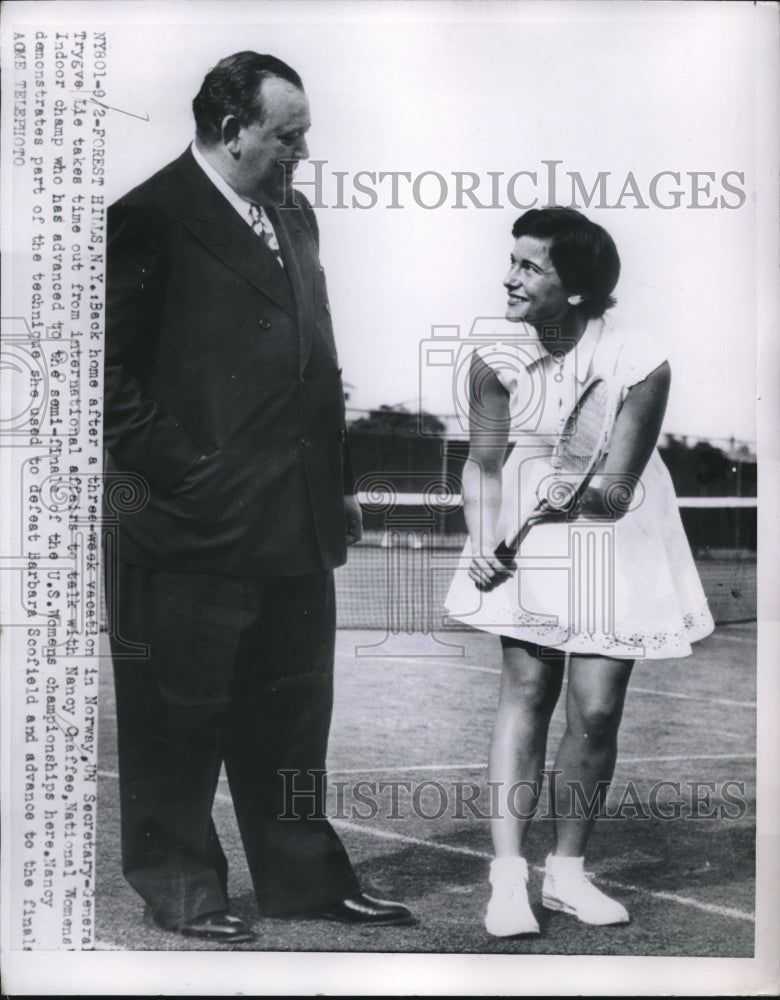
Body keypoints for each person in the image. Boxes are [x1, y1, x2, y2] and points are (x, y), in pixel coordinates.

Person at [103, 51, 413, 943]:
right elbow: (100, 375)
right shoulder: (145, 219)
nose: (304, 152)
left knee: (290, 711)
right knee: (177, 720)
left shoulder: (296, 213)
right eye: (290, 136)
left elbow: (320, 359)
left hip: (295, 520)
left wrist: (341, 483)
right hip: (184, 526)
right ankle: (183, 889)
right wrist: (190, 470)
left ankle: (305, 882)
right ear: (233, 131)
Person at [444, 207, 715, 937]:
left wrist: (564, 496)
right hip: (524, 525)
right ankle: (508, 880)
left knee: (595, 710)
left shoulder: (640, 359)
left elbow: (617, 491)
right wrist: (483, 538)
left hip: (614, 533)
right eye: (513, 259)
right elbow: (484, 463)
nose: (510, 275)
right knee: (527, 691)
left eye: (530, 266)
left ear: (575, 289)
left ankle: (566, 874)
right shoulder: (493, 356)